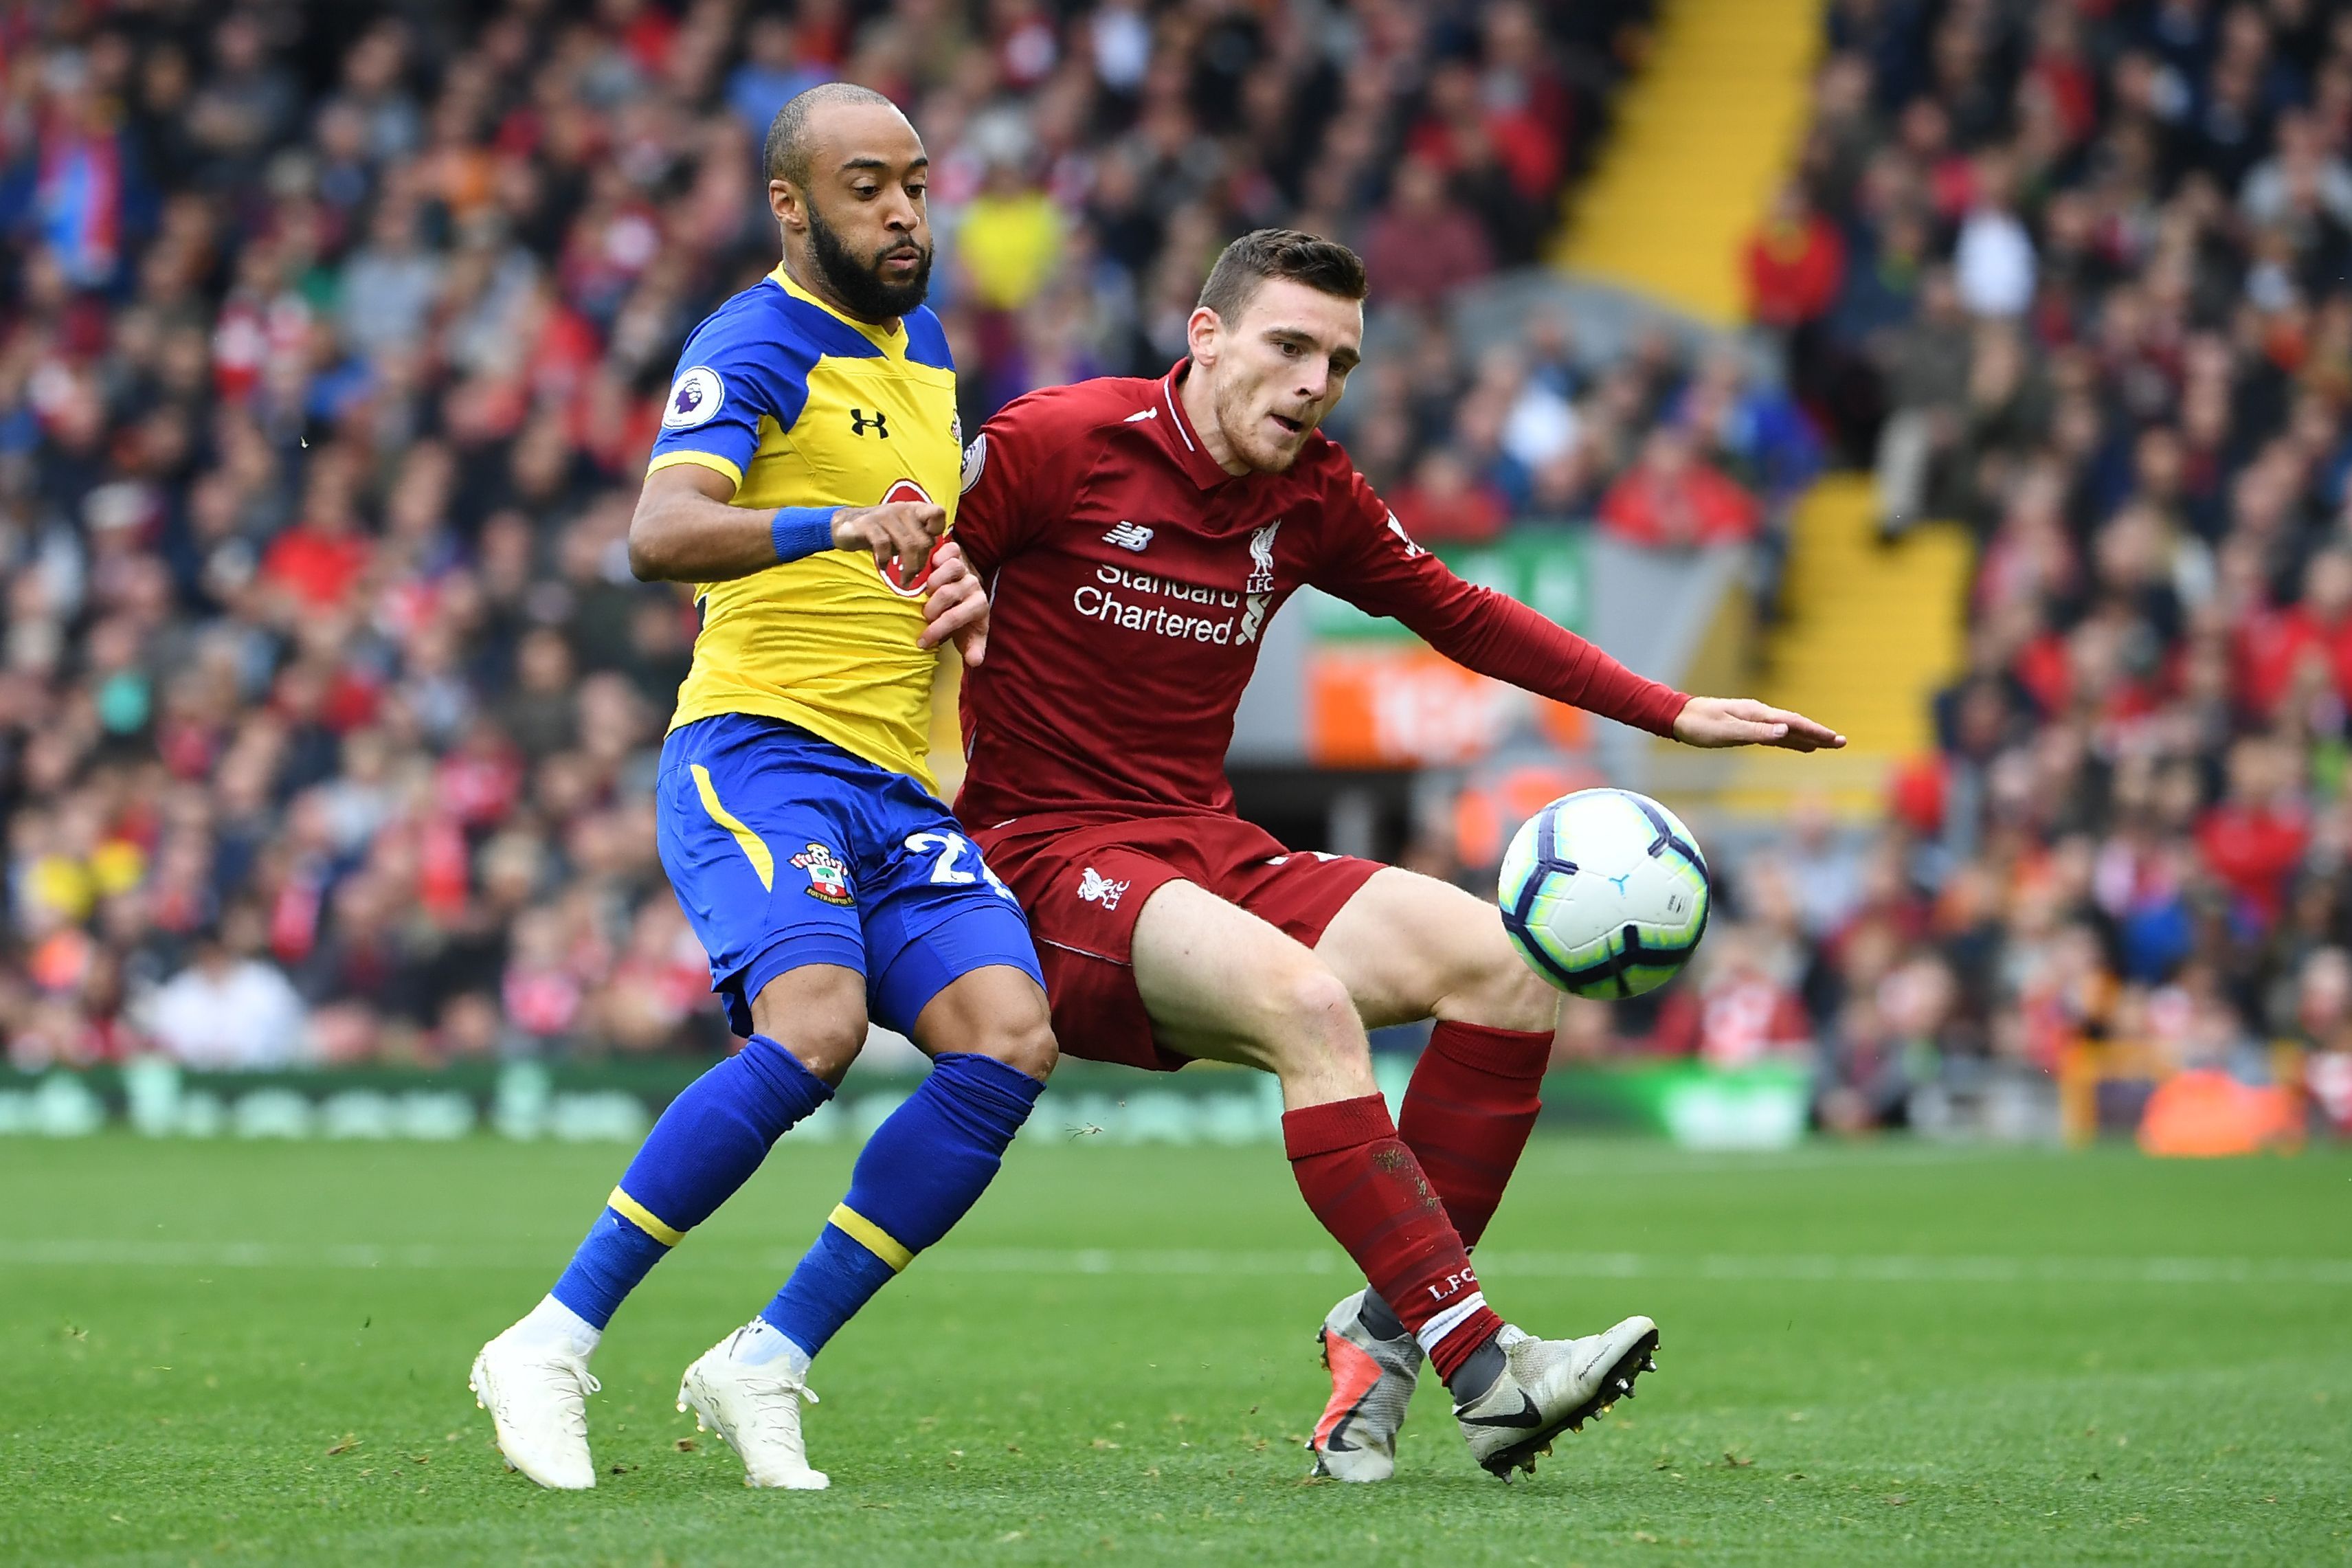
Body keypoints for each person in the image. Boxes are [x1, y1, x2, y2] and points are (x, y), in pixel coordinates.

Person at [950, 229, 1843, 1481]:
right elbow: (899, 560)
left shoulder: (1313, 492)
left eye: (1340, 362)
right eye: (1289, 346)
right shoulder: (1060, 439)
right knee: (1313, 1006)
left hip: (1205, 848)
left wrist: (1669, 709)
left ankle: (1379, 1338)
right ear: (1205, 336)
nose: (1315, 383)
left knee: (1511, 966)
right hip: (1045, 860)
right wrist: (931, 604)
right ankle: (1489, 1369)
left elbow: (1461, 612)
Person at [468, 84, 1055, 1493]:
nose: (904, 212)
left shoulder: (925, 349)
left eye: (916, 182)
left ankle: (767, 1355)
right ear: (790, 206)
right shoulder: (753, 339)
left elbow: (916, 549)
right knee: (816, 1027)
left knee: (1010, 1037)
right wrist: (830, 521)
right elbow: (657, 531)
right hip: (759, 753)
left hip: (894, 785)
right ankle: (548, 1339)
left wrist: (958, 584)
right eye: (867, 187)